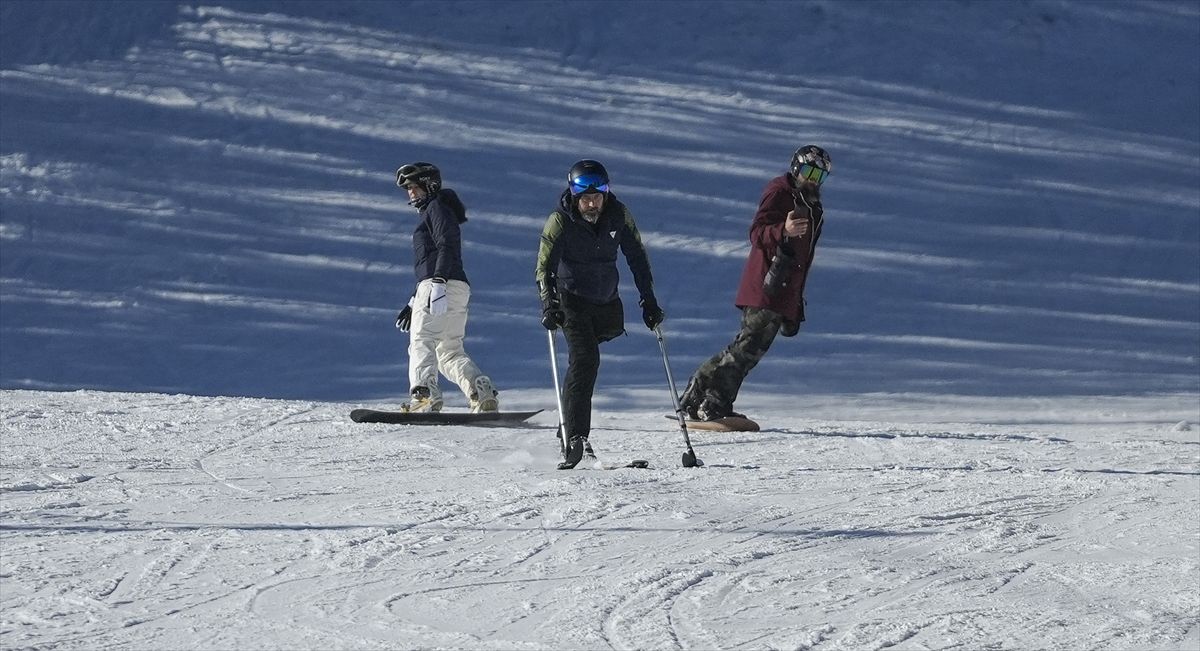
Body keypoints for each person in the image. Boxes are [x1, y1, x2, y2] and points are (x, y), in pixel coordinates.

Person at [679, 145, 832, 421]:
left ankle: (707, 397)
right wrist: (781, 230)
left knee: (749, 349)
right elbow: (757, 232)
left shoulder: (812, 206)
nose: (813, 179)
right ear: (796, 168)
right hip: (767, 284)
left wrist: (796, 300)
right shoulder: (780, 192)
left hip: (784, 290)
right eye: (809, 171)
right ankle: (707, 394)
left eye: (819, 175)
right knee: (747, 348)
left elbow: (804, 258)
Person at [535, 159, 664, 468]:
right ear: (575, 196)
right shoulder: (560, 221)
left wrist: (649, 300)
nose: (592, 204)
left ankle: (568, 422)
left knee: (586, 362)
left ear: (606, 194)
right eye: (585, 198)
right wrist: (548, 303)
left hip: (606, 302)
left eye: (597, 196)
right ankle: (576, 437)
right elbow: (544, 267)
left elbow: (638, 258)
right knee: (584, 360)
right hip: (571, 299)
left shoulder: (618, 216)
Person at [393, 162, 499, 413]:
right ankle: (480, 390)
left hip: (439, 284)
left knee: (422, 340)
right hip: (455, 287)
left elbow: (446, 244)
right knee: (449, 350)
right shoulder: (440, 209)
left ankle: (424, 396)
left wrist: (437, 282)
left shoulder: (436, 207)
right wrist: (413, 300)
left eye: (415, 187)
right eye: (408, 188)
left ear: (430, 185)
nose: (411, 193)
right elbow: (436, 255)